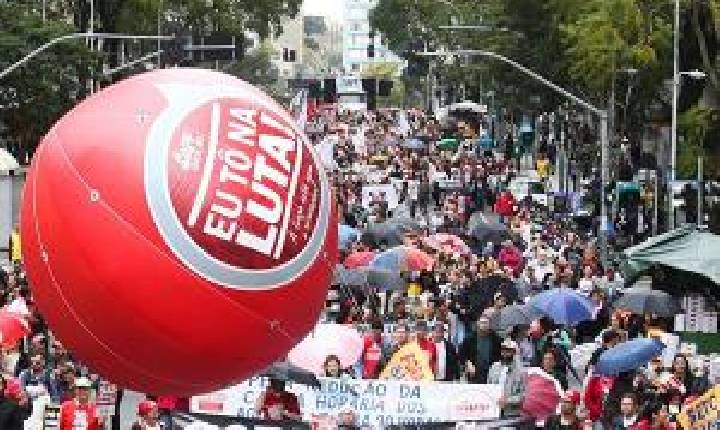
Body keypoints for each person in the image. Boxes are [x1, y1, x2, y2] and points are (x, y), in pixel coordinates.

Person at [487, 339, 525, 417]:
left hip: (511, 413)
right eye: (503, 350)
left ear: (514, 353)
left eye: (508, 351)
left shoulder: (521, 372)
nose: (504, 354)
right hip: (493, 409)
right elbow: (488, 386)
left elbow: (524, 395)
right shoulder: (494, 367)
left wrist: (508, 400)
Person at [460, 316, 501, 384]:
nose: (484, 325)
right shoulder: (470, 338)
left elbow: (499, 355)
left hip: (491, 372)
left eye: (486, 323)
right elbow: (462, 354)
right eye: (482, 322)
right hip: (474, 372)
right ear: (477, 324)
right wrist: (467, 364)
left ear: (489, 325)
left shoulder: (496, 339)